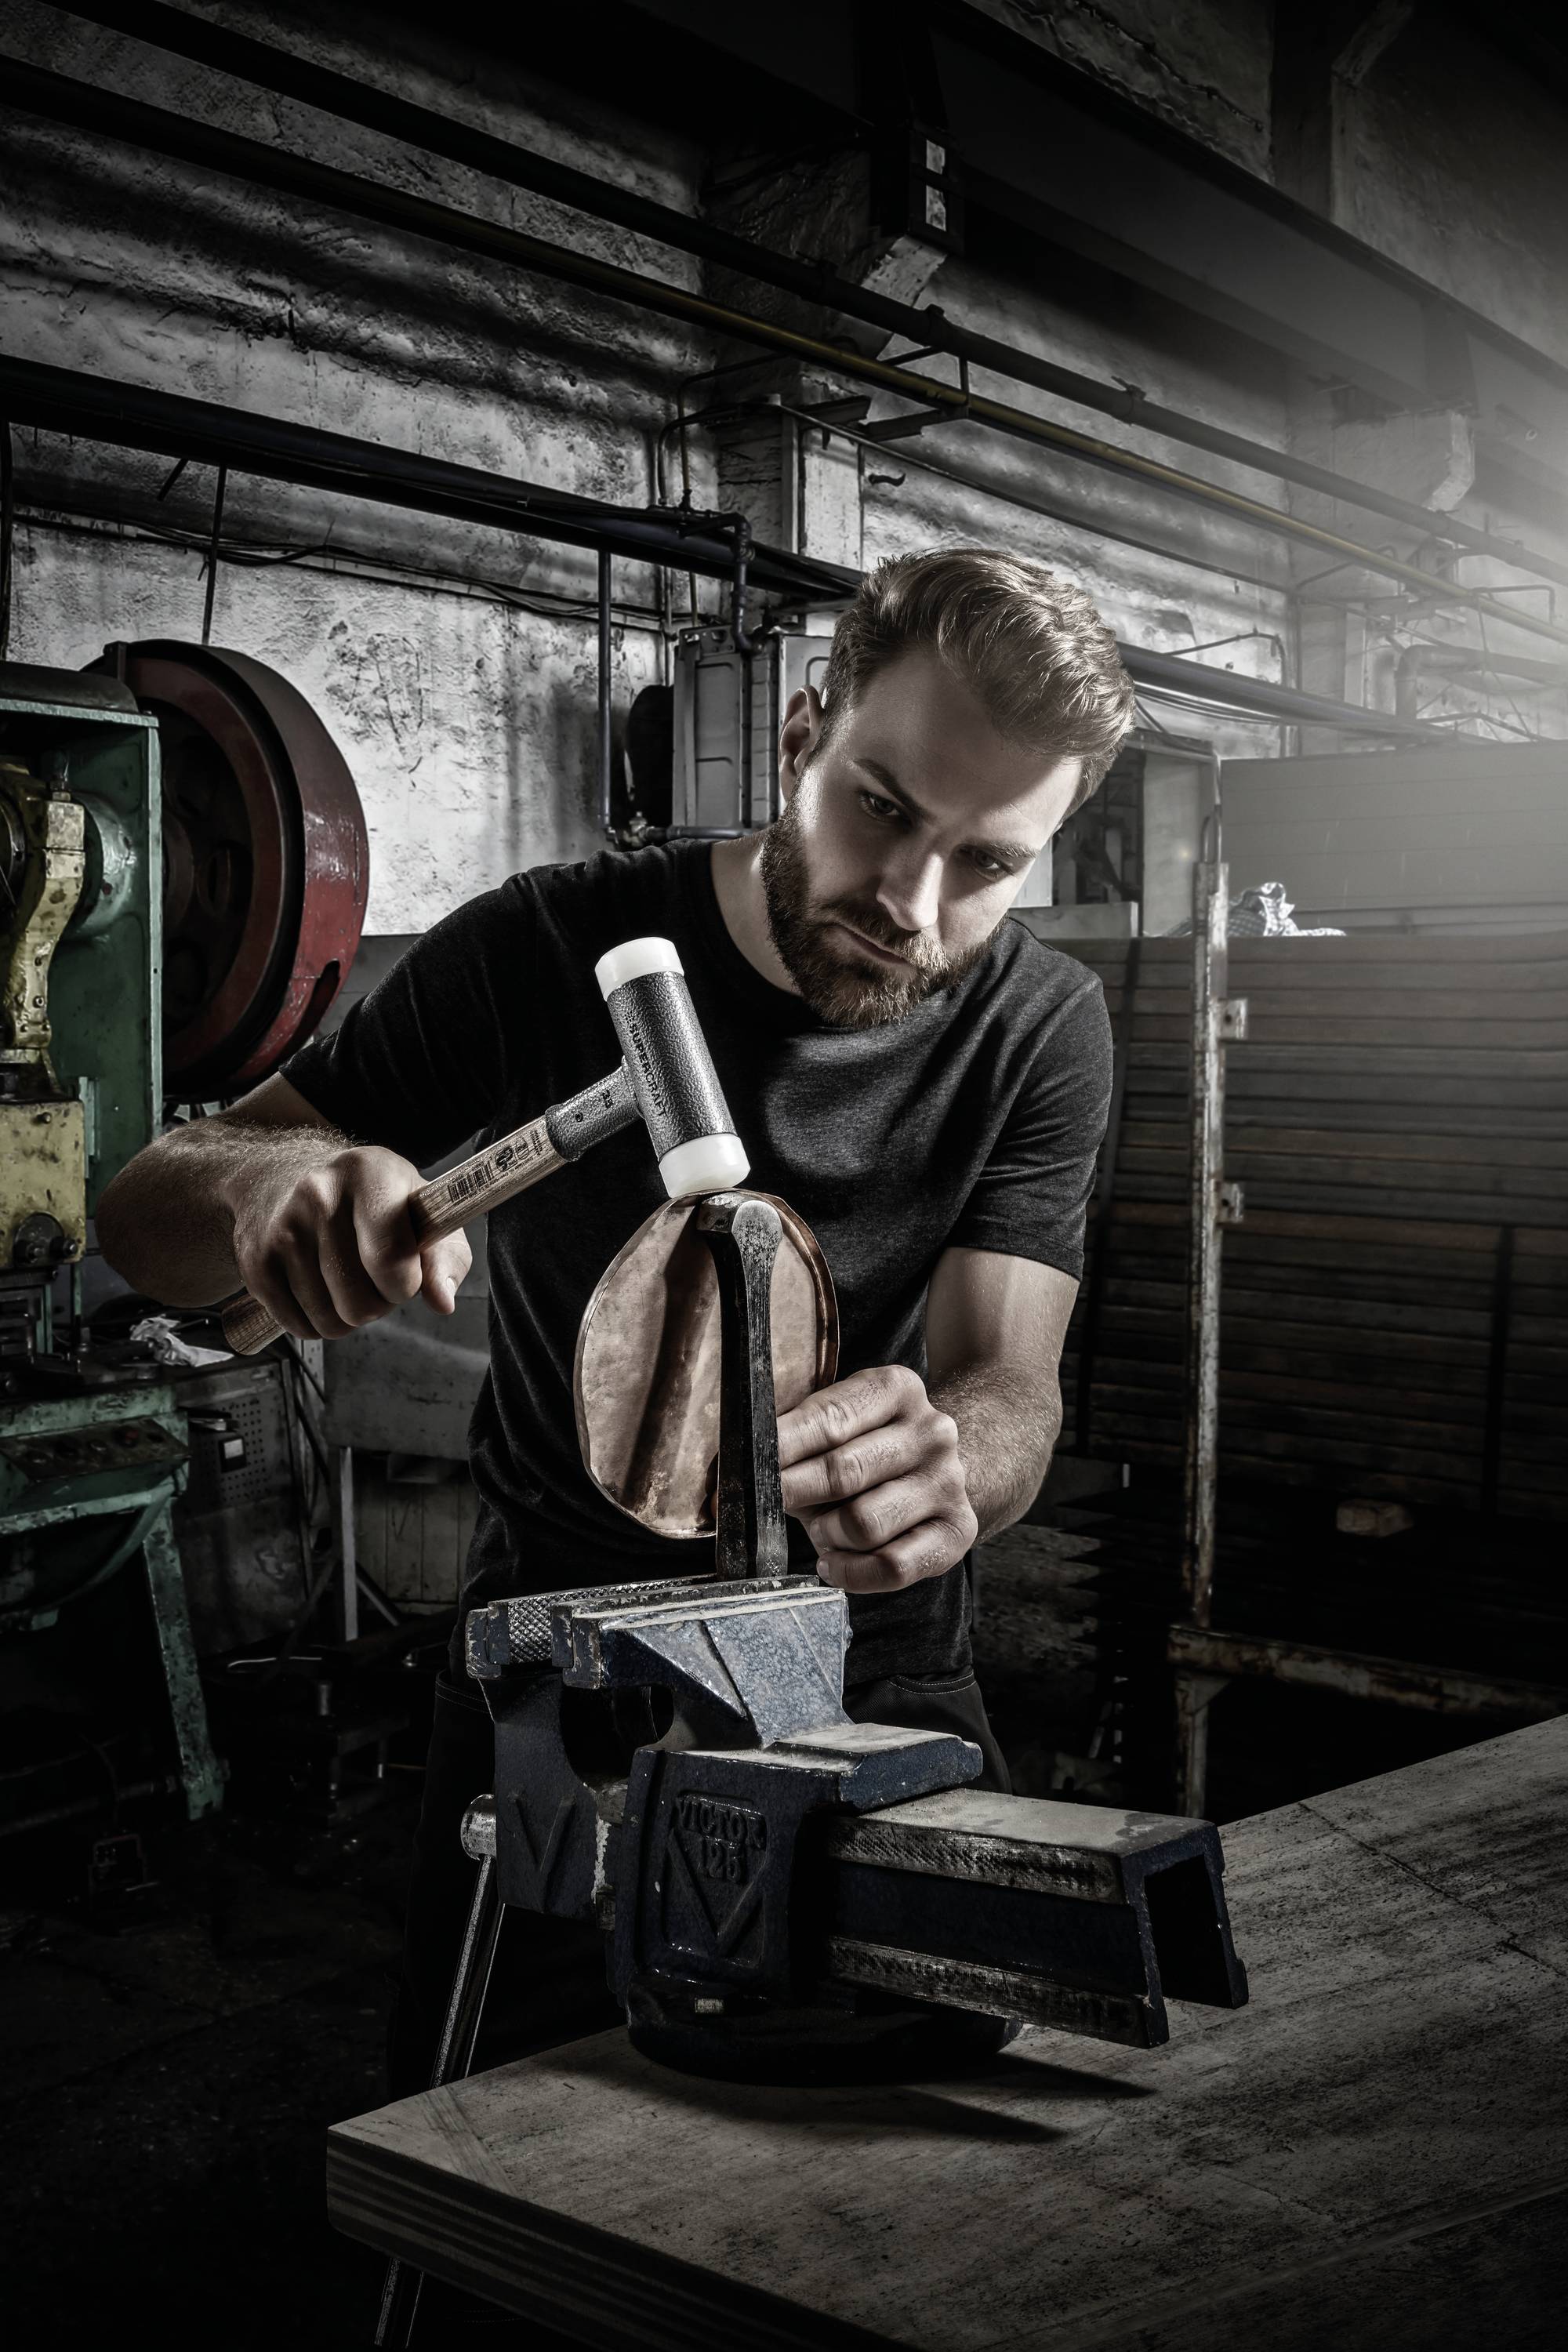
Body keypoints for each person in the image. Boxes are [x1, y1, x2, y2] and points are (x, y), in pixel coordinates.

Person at [97, 546, 1134, 2089]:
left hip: (877, 1670)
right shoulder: (543, 947)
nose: (912, 906)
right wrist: (272, 1192)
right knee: (494, 2155)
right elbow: (144, 1218)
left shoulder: (1035, 1028)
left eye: (986, 863)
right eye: (882, 808)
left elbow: (1008, 1386)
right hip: (562, 1685)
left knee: (916, 2189)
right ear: (799, 737)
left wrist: (954, 1467)